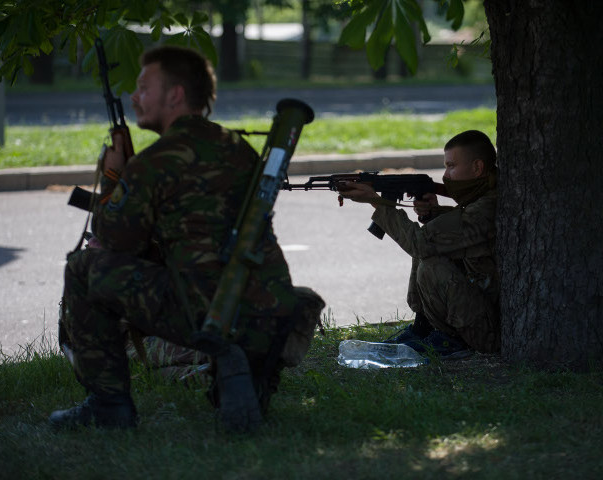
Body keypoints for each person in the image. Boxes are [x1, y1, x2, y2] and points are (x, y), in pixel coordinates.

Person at [50, 45, 324, 432]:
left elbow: (114, 240)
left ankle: (108, 405)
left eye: (144, 87)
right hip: (267, 302)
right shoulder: (239, 148)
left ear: (175, 95)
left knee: (82, 269)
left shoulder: (154, 162)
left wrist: (114, 177)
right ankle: (244, 371)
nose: (135, 97)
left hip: (209, 307)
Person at [338, 130, 500, 357]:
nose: (446, 175)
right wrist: (434, 213)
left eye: (451, 166)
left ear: (477, 167)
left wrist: (378, 203)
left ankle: (450, 341)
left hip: (487, 332)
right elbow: (459, 233)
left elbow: (422, 242)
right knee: (426, 252)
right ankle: (423, 328)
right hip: (479, 313)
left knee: (430, 262)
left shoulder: (487, 206)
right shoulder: (483, 198)